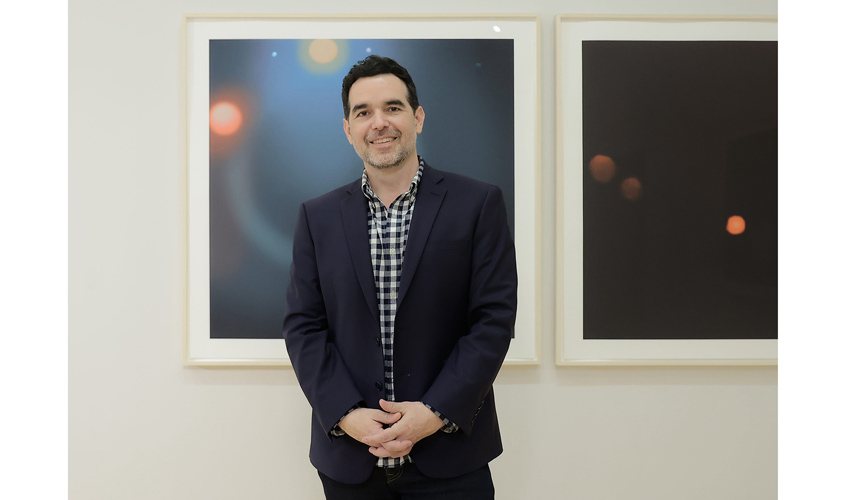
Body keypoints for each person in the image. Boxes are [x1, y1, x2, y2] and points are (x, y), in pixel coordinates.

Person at [283, 55, 518, 499]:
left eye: (392, 107)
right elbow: (303, 327)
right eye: (363, 112)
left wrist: (435, 411)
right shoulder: (317, 217)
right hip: (349, 462)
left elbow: (493, 321)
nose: (379, 123)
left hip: (452, 458)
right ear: (348, 129)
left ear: (418, 117)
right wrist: (346, 413)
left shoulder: (477, 204)